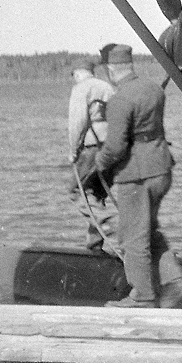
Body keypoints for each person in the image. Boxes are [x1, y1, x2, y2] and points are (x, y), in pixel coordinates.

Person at [90, 44, 182, 309]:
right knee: (148, 229)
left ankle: (142, 296)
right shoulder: (152, 89)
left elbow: (114, 147)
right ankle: (174, 280)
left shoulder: (120, 99)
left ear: (110, 70)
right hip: (161, 168)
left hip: (136, 175)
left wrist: (97, 165)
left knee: (131, 236)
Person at [67, 59, 116, 255]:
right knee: (97, 195)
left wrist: (73, 151)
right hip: (110, 145)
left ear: (77, 74)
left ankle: (110, 227)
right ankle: (95, 246)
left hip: (91, 146)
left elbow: (77, 122)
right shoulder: (107, 86)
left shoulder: (81, 88)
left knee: (77, 192)